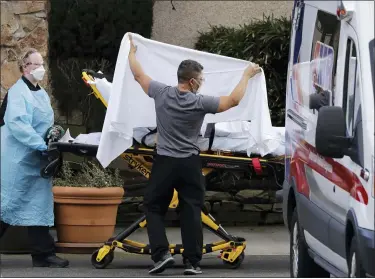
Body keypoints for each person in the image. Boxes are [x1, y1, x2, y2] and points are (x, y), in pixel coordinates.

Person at [128, 35, 261, 275]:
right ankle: (192, 263)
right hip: (189, 164)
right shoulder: (200, 103)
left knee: (153, 206)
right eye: (200, 79)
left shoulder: (161, 93)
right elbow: (233, 100)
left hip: (165, 162)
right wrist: (246, 75)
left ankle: (161, 255)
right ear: (191, 81)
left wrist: (131, 52)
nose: (202, 83)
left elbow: (138, 75)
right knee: (191, 210)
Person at [0, 48, 69, 268]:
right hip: (18, 159)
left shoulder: (40, 93)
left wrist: (53, 134)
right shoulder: (18, 92)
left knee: (39, 206)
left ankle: (43, 254)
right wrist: (41, 145)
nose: (41, 69)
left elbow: (45, 123)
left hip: (37, 158)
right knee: (8, 204)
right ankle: (42, 253)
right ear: (24, 67)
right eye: (36, 65)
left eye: (42, 64)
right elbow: (18, 124)